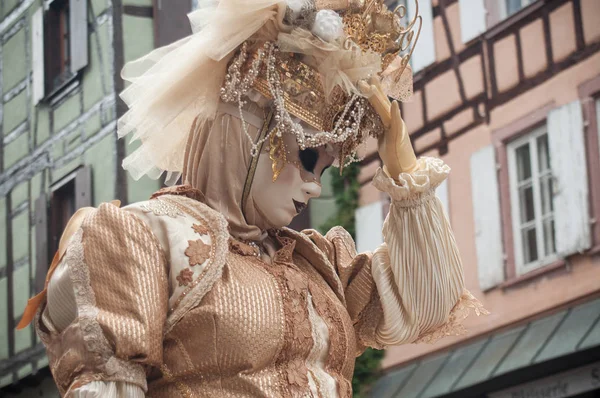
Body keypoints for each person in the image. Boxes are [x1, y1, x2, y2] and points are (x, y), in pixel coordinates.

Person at [18, 0, 487, 396]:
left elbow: (430, 298)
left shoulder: (316, 266)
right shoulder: (141, 237)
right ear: (244, 134)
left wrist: (402, 160)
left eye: (324, 168)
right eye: (306, 157)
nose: (315, 187)